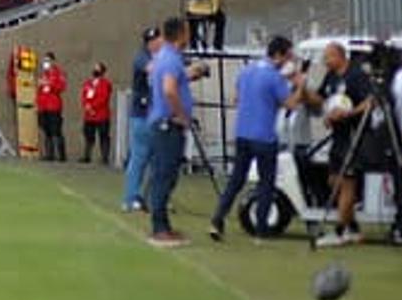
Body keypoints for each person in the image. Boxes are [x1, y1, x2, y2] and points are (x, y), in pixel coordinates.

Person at [210, 36, 300, 241]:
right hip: (265, 136)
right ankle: (260, 229)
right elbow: (291, 104)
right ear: (278, 55)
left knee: (236, 180)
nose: (289, 62)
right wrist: (299, 84)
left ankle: (217, 218)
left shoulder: (247, 71)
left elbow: (237, 98)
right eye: (288, 57)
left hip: (243, 133)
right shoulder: (275, 78)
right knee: (267, 182)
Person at [307, 42, 375, 247]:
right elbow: (322, 99)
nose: (325, 62)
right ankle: (352, 227)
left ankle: (340, 230)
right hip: (338, 137)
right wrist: (301, 88)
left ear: (339, 56)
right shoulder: (331, 76)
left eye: (328, 57)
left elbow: (371, 101)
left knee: (347, 183)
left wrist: (349, 113)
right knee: (333, 180)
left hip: (354, 136)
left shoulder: (356, 75)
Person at [146, 17, 194, 247]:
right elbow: (169, 89)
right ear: (181, 34)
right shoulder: (172, 59)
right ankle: (159, 227)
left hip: (162, 122)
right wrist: (181, 115)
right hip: (168, 124)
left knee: (165, 174)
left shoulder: (164, 57)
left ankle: (162, 223)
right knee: (165, 175)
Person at [122, 26, 162, 212]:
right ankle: (131, 198)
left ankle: (147, 197)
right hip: (142, 114)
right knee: (139, 157)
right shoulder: (142, 57)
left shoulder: (158, 57)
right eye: (155, 41)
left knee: (157, 159)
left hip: (155, 113)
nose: (158, 44)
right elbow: (151, 69)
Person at [36, 52, 68, 162]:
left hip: (54, 107)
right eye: (44, 61)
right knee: (47, 131)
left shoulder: (59, 74)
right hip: (44, 107)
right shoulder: (43, 75)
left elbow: (61, 87)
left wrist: (49, 83)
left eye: (48, 61)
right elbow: (40, 92)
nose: (46, 63)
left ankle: (61, 155)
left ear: (53, 61)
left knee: (56, 132)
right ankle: (49, 154)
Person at [81, 61, 113, 165]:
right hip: (89, 116)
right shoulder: (88, 83)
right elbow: (84, 96)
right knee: (88, 136)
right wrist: (87, 106)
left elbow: (103, 98)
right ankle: (87, 156)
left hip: (101, 115)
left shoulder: (106, 83)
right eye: (94, 68)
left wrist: (93, 107)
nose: (95, 70)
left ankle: (104, 157)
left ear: (102, 71)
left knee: (103, 136)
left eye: (97, 68)